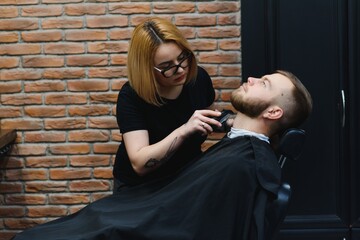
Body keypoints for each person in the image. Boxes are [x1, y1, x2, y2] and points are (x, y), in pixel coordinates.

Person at [13, 70, 312, 240]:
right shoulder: (242, 146)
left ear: (273, 111)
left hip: (139, 222)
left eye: (264, 83)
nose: (251, 78)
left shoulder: (242, 165)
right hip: (140, 205)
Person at [113, 17, 222, 189]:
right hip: (139, 188)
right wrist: (185, 130)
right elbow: (140, 164)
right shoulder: (131, 96)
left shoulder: (198, 78)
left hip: (186, 176)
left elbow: (208, 120)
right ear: (146, 69)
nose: (180, 69)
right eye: (166, 66)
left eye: (182, 57)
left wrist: (233, 122)